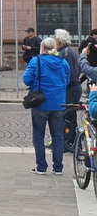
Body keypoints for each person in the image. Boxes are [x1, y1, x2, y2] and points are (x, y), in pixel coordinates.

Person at [23, 37, 70, 175]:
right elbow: (66, 81)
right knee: (58, 136)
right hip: (59, 103)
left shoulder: (36, 61)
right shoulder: (63, 63)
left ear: (42, 47)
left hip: (41, 102)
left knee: (38, 135)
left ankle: (41, 167)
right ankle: (58, 167)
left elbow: (26, 80)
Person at [54, 29, 80, 152]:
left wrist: (61, 86)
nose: (54, 40)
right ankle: (71, 141)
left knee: (67, 115)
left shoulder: (65, 53)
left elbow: (68, 73)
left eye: (55, 37)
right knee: (70, 114)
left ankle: (67, 141)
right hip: (72, 87)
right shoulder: (67, 50)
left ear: (60, 40)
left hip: (71, 88)